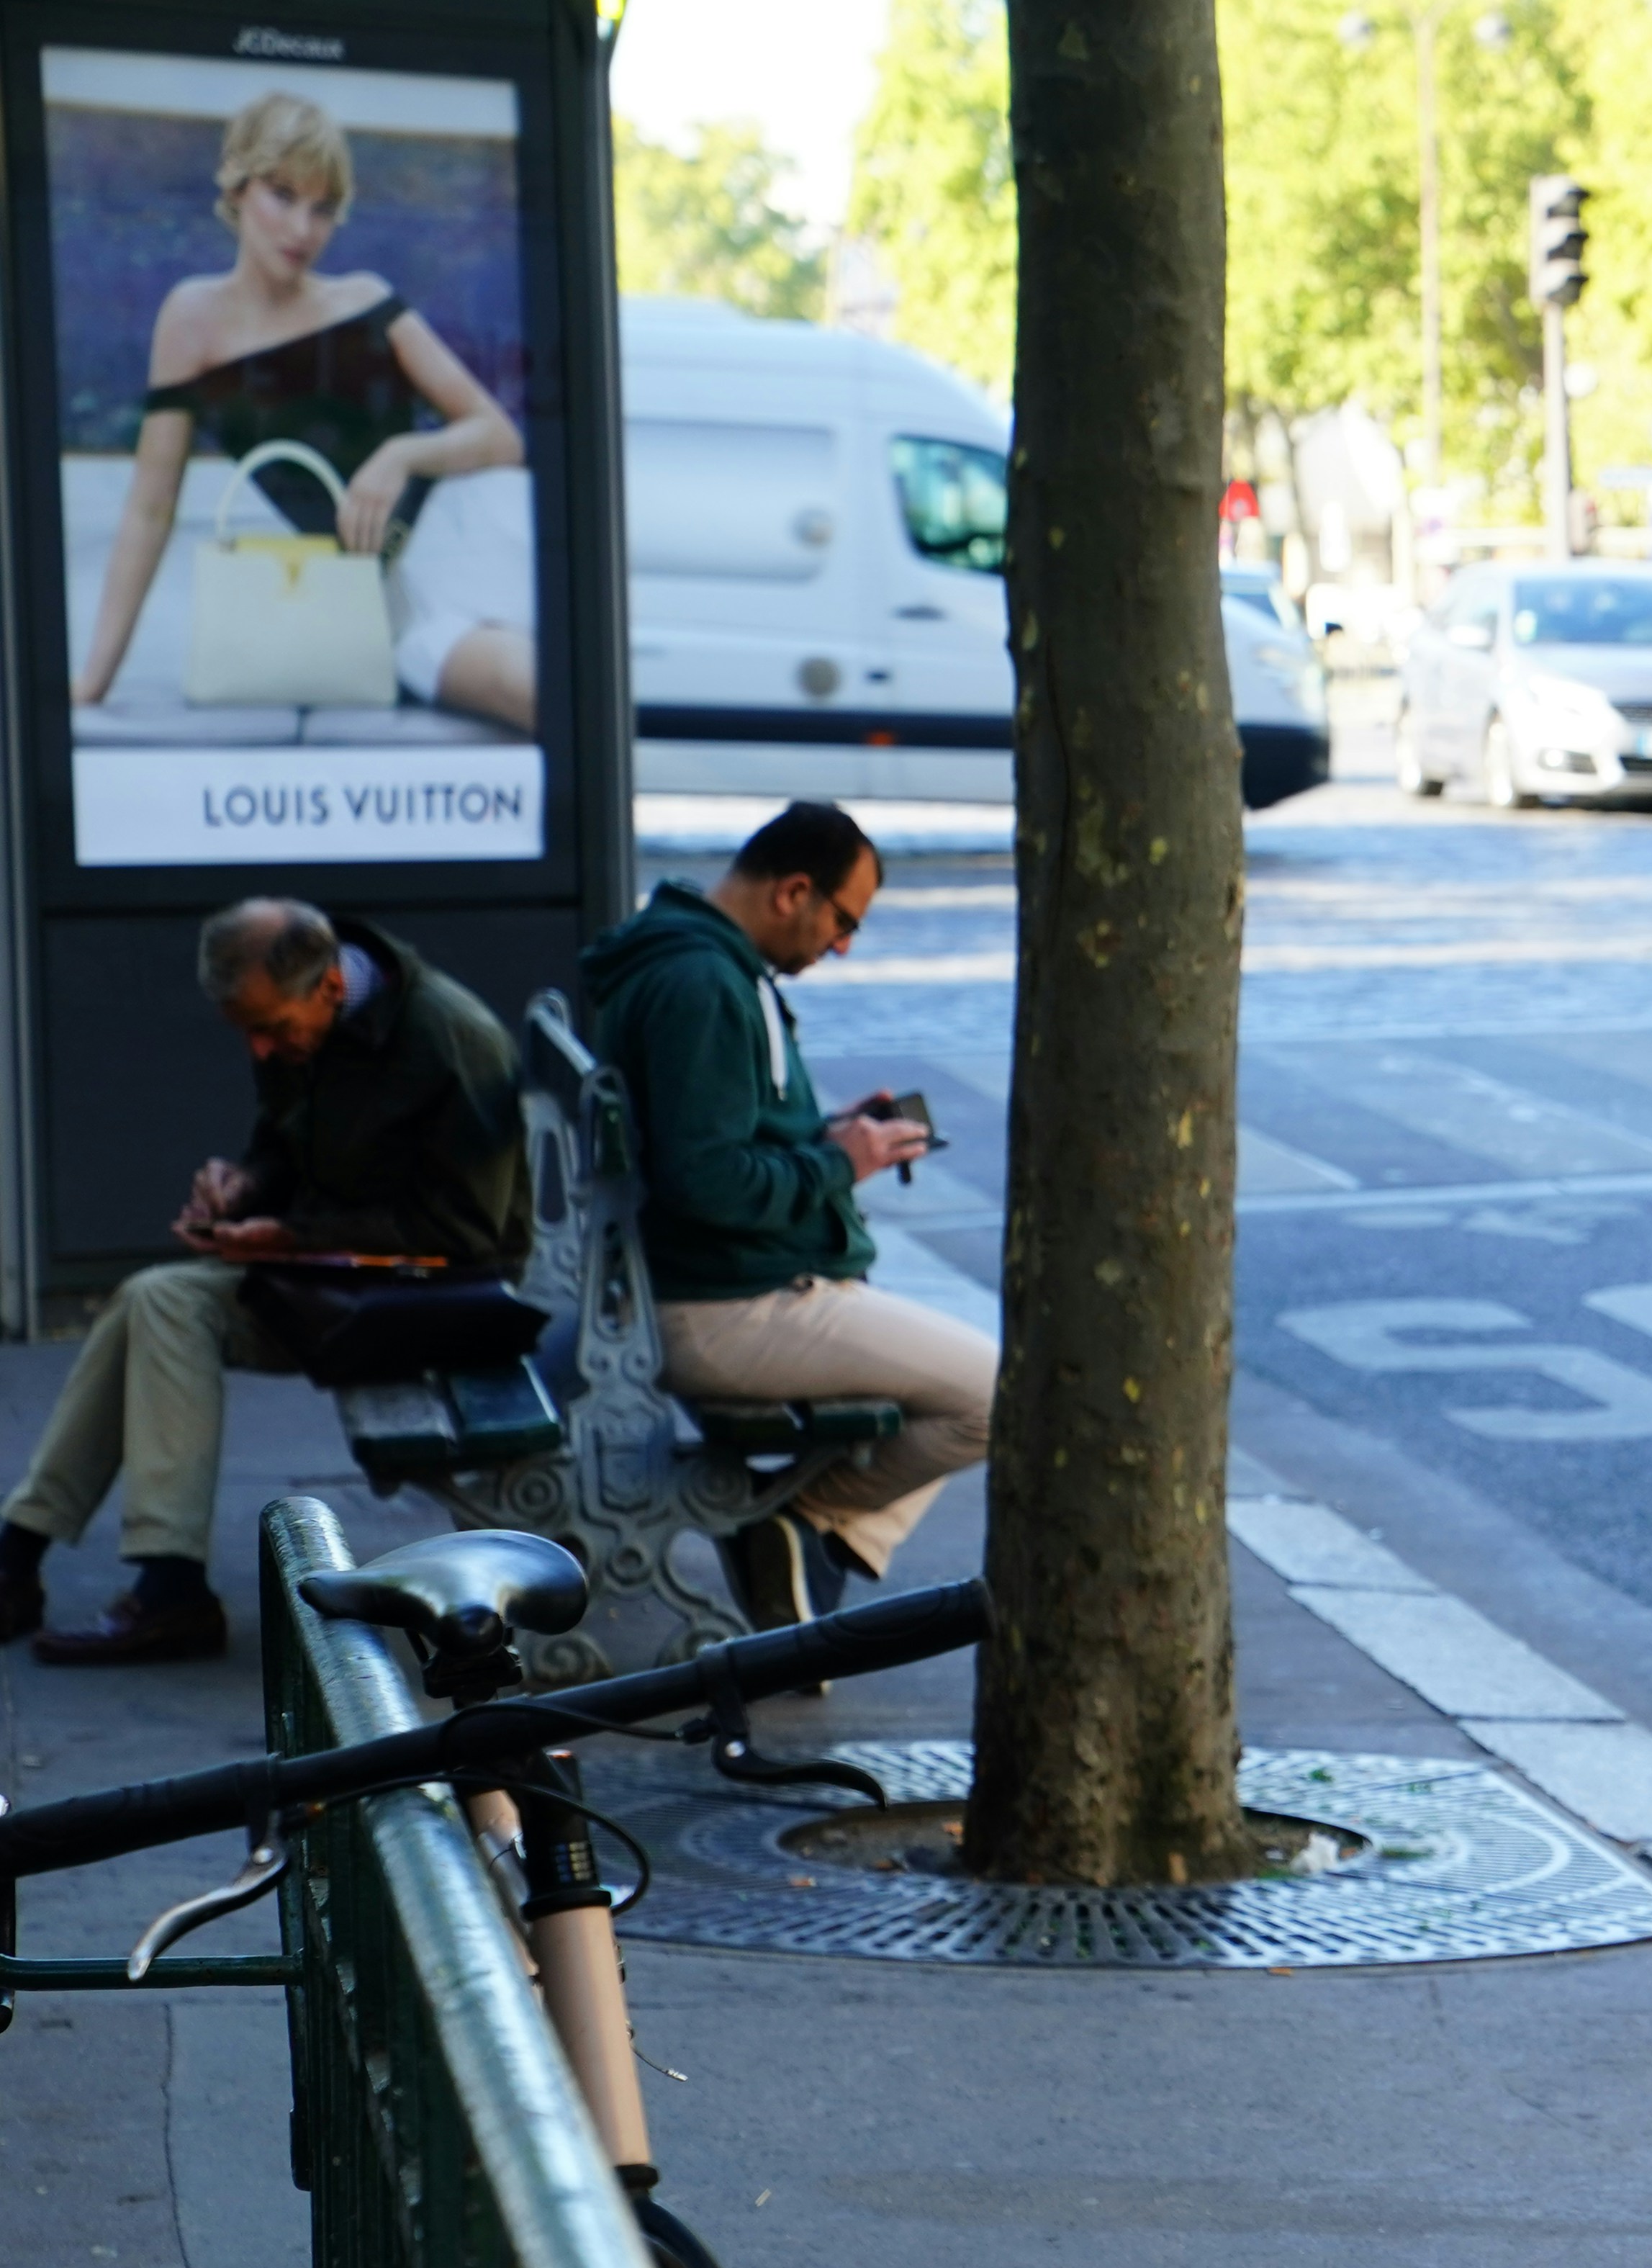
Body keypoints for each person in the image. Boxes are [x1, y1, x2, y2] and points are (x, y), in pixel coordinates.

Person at [0, 901, 529, 1662]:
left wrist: (294, 1236)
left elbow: (470, 1234)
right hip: (349, 1277)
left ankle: (161, 1587)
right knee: (151, 1297)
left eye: (272, 1030)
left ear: (331, 988)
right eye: (247, 1032)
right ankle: (27, 1551)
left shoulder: (451, 1039)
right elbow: (283, 1146)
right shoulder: (300, 1017)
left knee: (168, 1305)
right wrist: (243, 1186)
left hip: (443, 1298)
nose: (261, 1048)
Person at [582, 801, 990, 1608]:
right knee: (998, 1395)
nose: (841, 946)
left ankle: (798, 1541)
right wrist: (838, 1162)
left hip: (708, 1287)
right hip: (724, 1308)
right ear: (793, 891)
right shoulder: (705, 984)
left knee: (963, 1376)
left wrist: (827, 1135)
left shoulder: (697, 960)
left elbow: (714, 1137)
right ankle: (802, 1524)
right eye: (843, 922)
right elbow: (706, 1182)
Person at [74, 91, 536, 732]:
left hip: (474, 536)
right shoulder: (191, 321)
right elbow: (150, 511)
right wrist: (93, 683)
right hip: (389, 602)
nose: (301, 230)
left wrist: (400, 455)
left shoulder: (366, 300)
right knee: (528, 690)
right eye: (282, 195)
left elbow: (500, 437)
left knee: (561, 688)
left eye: (321, 209)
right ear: (238, 188)